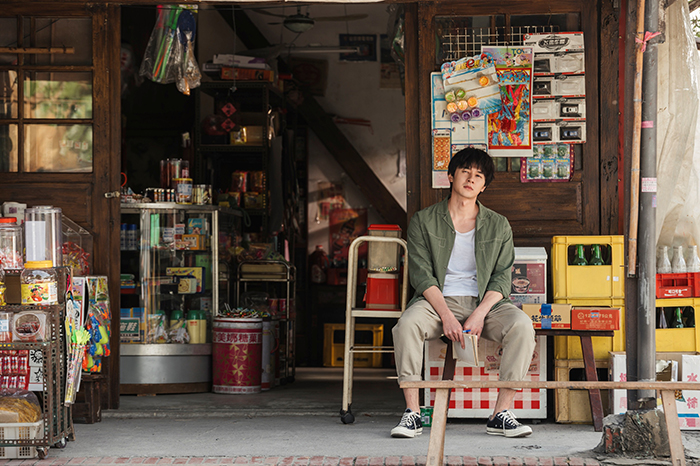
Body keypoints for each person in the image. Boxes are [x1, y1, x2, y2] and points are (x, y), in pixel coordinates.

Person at [390, 147, 536, 439]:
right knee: (406, 325)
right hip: (437, 302)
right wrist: (446, 315)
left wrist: (480, 314)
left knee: (522, 326)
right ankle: (413, 413)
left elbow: (502, 278)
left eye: (479, 175)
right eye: (465, 171)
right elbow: (421, 275)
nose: (471, 179)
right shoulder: (423, 220)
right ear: (450, 176)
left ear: (484, 186)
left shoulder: (499, 224)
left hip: (485, 303)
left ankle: (501, 413)